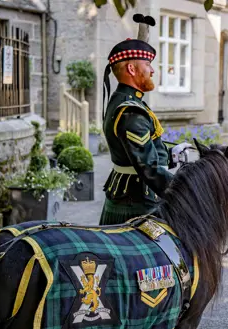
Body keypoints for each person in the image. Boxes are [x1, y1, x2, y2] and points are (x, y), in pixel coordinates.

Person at [99, 14, 175, 225]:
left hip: (131, 197)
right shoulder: (130, 111)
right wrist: (186, 188)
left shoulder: (127, 102)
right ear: (132, 69)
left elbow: (141, 151)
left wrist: (170, 155)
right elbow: (148, 168)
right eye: (147, 64)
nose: (152, 70)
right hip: (136, 203)